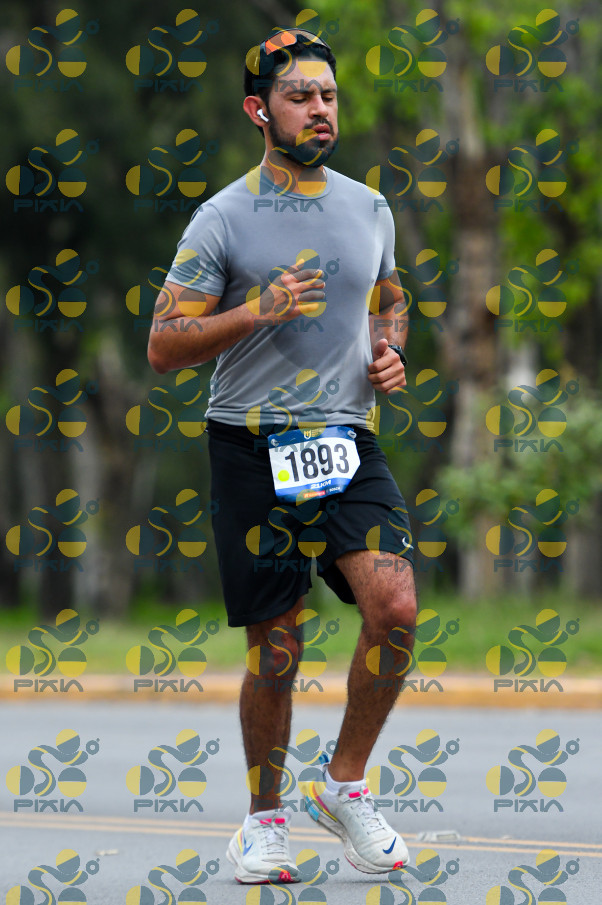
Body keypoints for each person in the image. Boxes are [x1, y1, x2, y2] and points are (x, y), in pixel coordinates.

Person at [148, 27, 417, 885]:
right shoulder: (222, 217)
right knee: (278, 644)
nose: (319, 109)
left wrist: (389, 348)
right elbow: (163, 343)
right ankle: (264, 822)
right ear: (258, 111)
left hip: (344, 436)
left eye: (328, 95)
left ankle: (343, 784)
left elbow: (390, 297)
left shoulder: (369, 206)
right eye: (300, 96)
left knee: (395, 607)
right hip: (251, 442)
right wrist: (253, 311)